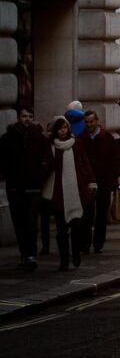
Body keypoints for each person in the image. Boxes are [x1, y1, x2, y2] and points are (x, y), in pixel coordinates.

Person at [0, 108, 51, 270]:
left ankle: (30, 254)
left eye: (30, 116)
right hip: (14, 186)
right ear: (18, 118)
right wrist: (7, 174)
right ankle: (24, 253)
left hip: (33, 187)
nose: (27, 119)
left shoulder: (40, 139)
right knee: (19, 222)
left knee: (31, 222)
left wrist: (39, 177)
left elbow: (48, 161)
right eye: (24, 116)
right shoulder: (8, 138)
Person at [42, 117, 96, 271]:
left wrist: (91, 181)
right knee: (61, 230)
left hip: (75, 190)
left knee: (77, 225)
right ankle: (64, 260)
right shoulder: (50, 146)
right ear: (55, 130)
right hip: (58, 191)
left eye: (65, 127)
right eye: (60, 128)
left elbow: (85, 163)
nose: (63, 131)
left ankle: (76, 253)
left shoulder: (76, 144)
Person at [79, 110, 120, 254]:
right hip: (88, 183)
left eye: (91, 121)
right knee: (87, 214)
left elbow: (115, 160)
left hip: (104, 181)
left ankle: (98, 244)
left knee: (102, 215)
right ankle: (85, 243)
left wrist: (114, 179)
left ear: (97, 121)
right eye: (87, 122)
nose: (89, 124)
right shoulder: (82, 139)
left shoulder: (107, 138)